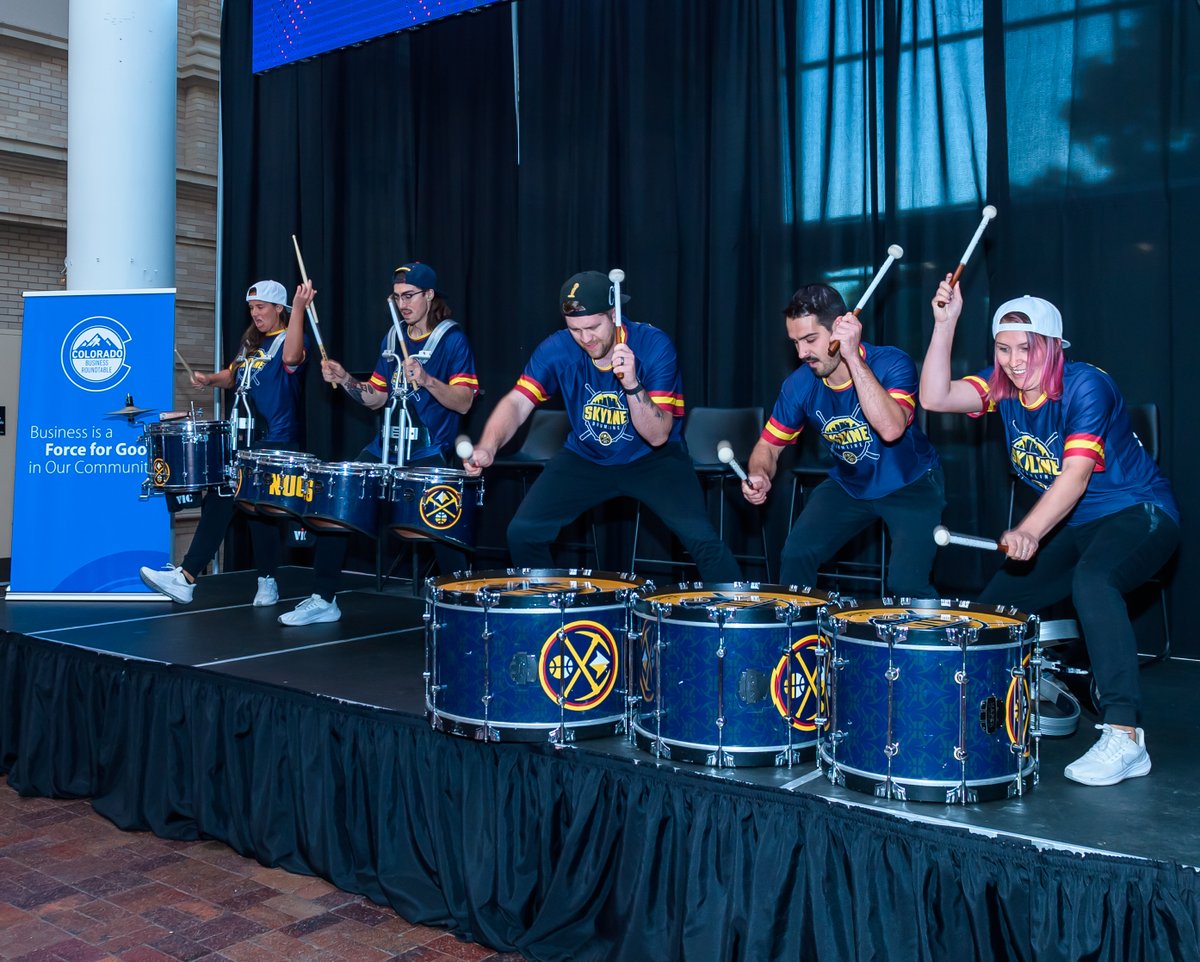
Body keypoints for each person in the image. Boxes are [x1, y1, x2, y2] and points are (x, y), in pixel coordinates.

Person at [920, 278, 1180, 787]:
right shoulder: (1003, 389)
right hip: (1075, 524)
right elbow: (933, 397)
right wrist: (945, 323)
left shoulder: (1086, 384)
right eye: (1003, 349)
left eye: (1026, 349)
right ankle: (983, 714)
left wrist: (1030, 530)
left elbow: (1075, 477)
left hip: (1139, 512)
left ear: (1054, 348)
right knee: (994, 612)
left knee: (1092, 581)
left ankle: (1125, 736)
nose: (1015, 361)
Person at [463, 270, 741, 583]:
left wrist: (632, 383)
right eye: (575, 329)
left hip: (653, 459)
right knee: (523, 532)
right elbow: (517, 402)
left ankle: (740, 626)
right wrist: (488, 445)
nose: (585, 338)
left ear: (614, 315)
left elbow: (658, 435)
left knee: (702, 541)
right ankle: (552, 617)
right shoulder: (557, 348)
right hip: (586, 456)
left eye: (593, 327)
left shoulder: (653, 345)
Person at [279, 262, 478, 626]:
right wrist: (347, 380)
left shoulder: (452, 340)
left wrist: (429, 380)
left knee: (442, 527)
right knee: (336, 502)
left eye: (410, 296)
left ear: (429, 295)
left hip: (428, 449)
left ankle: (463, 605)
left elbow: (464, 401)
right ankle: (324, 599)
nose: (403, 304)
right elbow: (376, 398)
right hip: (385, 445)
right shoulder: (391, 337)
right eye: (397, 297)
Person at [740, 283, 944, 597]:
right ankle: (799, 642)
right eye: (795, 342)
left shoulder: (892, 363)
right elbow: (768, 446)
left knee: (906, 584)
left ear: (839, 329)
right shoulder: (799, 385)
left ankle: (928, 644)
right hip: (851, 485)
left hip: (911, 484)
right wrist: (759, 473)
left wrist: (851, 357)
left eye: (810, 340)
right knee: (795, 557)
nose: (801, 353)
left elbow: (891, 429)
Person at [140, 279, 314, 605]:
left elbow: (292, 359)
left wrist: (300, 308)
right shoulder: (251, 343)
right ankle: (263, 579)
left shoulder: (291, 339)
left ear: (279, 308)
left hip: (274, 441)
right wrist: (209, 379)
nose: (255, 313)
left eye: (261, 307)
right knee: (249, 508)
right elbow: (232, 375)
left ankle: (189, 577)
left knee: (246, 506)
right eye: (251, 308)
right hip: (242, 439)